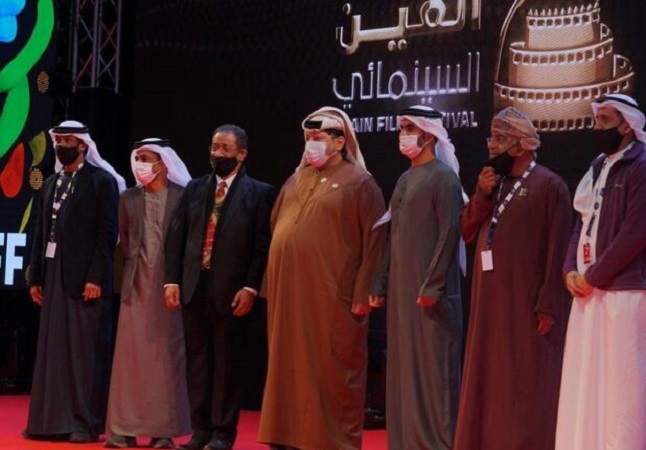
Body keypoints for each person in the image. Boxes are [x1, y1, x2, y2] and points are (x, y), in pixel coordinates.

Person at [257, 107, 387, 450]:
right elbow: (275, 229)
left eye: (318, 138)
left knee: (329, 369)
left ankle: (328, 441)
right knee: (287, 366)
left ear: (340, 142)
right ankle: (286, 436)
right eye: (308, 138)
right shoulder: (295, 180)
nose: (311, 144)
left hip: (332, 295)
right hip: (288, 295)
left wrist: (365, 291)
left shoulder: (360, 182)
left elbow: (375, 240)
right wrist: (270, 283)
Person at [555, 94, 646, 450]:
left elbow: (635, 234)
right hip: (589, 289)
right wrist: (570, 269)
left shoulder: (645, 169)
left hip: (628, 290)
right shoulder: (598, 166)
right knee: (585, 381)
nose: (597, 127)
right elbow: (582, 222)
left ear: (626, 125)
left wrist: (592, 276)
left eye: (604, 120)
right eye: (596, 119)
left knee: (623, 390)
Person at [454, 107, 572, 450]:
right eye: (491, 137)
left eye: (500, 139)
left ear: (521, 145)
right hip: (489, 303)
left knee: (524, 378)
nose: (491, 146)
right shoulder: (494, 183)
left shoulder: (550, 185)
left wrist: (548, 303)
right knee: (489, 376)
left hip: (525, 303)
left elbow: (558, 249)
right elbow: (466, 230)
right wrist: (481, 194)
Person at [164, 125, 276, 450]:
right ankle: (199, 430)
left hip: (232, 291)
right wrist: (172, 280)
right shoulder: (195, 188)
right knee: (197, 364)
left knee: (227, 365)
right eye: (214, 147)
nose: (217, 154)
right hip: (194, 286)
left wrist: (250, 287)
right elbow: (177, 236)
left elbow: (261, 247)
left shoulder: (259, 192)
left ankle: (222, 433)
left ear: (242, 154)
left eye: (225, 148)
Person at [370, 105, 465, 450]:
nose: (403, 135)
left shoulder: (444, 178)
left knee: (432, 372)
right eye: (402, 128)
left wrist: (433, 285)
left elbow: (449, 233)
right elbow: (392, 234)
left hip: (430, 296)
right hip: (402, 292)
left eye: (410, 128)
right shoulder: (404, 179)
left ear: (429, 134)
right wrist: (380, 282)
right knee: (403, 370)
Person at [24, 120, 125, 443]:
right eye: (58, 140)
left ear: (83, 145)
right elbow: (41, 232)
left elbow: (107, 233)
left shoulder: (101, 182)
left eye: (67, 141)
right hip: (54, 274)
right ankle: (48, 421)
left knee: (83, 352)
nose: (60, 146)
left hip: (84, 279)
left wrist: (96, 276)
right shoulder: (51, 183)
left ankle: (84, 422)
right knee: (52, 350)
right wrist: (35, 276)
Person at [104, 139, 193, 449]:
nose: (140, 164)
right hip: (136, 287)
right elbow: (126, 241)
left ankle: (163, 431)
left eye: (146, 158)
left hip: (170, 289)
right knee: (128, 359)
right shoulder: (128, 198)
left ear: (163, 163)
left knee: (166, 360)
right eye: (138, 157)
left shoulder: (183, 197)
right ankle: (123, 429)